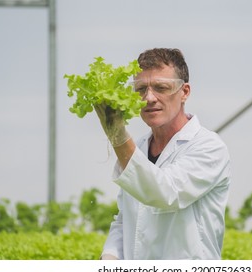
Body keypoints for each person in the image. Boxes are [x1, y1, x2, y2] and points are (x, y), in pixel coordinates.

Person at [95, 48, 230, 260]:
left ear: (184, 92)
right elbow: (126, 219)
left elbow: (165, 193)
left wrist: (118, 137)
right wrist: (110, 257)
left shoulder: (208, 147)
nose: (149, 98)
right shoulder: (138, 147)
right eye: (140, 89)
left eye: (161, 87)